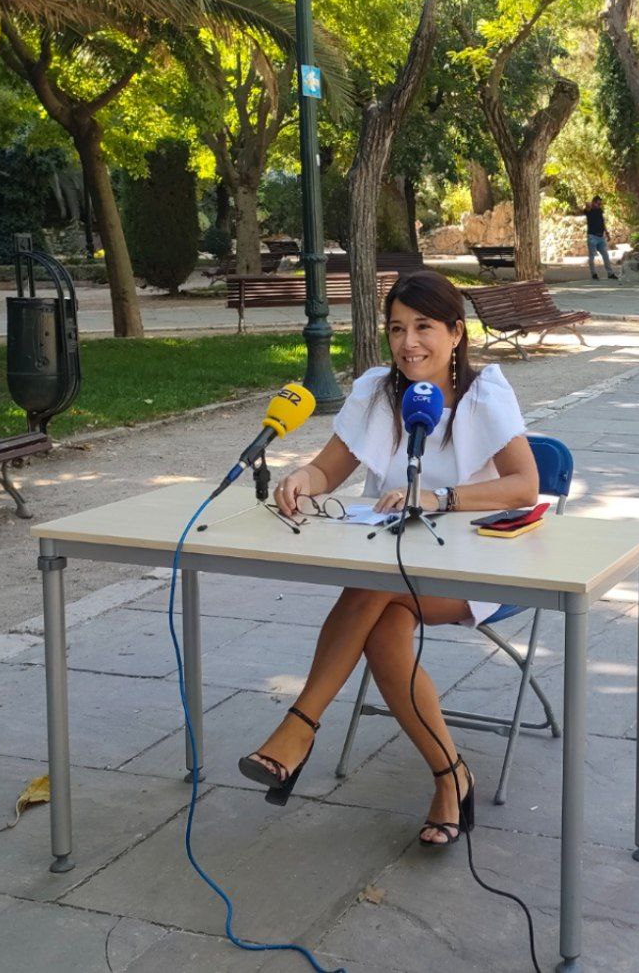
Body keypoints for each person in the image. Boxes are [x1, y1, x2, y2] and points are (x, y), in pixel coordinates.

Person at [238, 270, 539, 848]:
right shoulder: (379, 391)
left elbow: (524, 485)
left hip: (475, 568)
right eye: (397, 329)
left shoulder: (484, 394)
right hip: (395, 568)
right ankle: (451, 775)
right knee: (380, 618)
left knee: (373, 584)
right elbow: (328, 469)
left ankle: (299, 728)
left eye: (424, 327)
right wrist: (303, 478)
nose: (408, 343)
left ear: (456, 333)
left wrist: (439, 497)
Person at [584, 194, 618, 280]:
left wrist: (607, 233)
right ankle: (594, 274)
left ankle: (610, 273)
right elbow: (587, 204)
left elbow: (602, 222)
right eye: (598, 203)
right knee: (592, 256)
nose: (600, 205)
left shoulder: (599, 210)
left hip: (601, 237)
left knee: (605, 255)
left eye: (600, 204)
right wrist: (592, 204)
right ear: (594, 203)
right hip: (592, 237)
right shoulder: (589, 211)